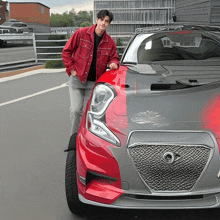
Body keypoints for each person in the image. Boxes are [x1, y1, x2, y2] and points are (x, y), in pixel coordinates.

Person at [62, 10, 120, 138]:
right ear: (97, 20)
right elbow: (66, 52)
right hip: (77, 80)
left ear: (109, 24)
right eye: (101, 20)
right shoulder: (81, 33)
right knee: (76, 110)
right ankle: (74, 138)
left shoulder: (109, 42)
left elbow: (114, 57)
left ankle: (85, 138)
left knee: (88, 112)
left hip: (94, 84)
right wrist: (71, 69)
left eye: (106, 21)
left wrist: (114, 63)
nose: (103, 23)